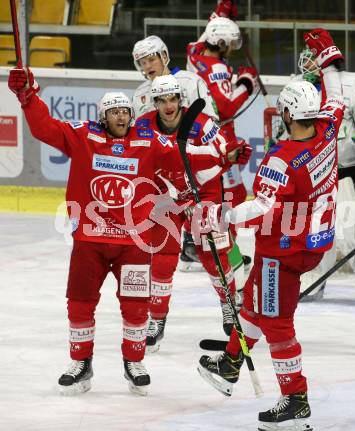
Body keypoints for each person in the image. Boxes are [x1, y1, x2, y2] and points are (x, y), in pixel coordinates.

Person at [7, 66, 242, 395]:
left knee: (135, 306)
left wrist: (217, 165)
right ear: (104, 117)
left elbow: (180, 162)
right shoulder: (84, 136)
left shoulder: (147, 141)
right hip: (90, 240)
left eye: (125, 112)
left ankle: (134, 361)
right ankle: (81, 363)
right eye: (114, 112)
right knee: (79, 302)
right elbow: (45, 128)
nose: (121, 117)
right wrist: (27, 97)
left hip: (133, 242)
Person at [196, 29, 345, 430]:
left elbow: (260, 209)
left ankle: (295, 399)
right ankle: (230, 362)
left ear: (286, 114)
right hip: (313, 240)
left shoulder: (281, 159)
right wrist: (328, 56)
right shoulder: (328, 132)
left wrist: (220, 216)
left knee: (276, 322)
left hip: (284, 248)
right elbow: (338, 98)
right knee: (252, 301)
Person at [136, 74, 252, 350]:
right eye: (162, 100)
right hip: (166, 195)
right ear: (154, 103)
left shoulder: (202, 123)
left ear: (180, 99)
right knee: (162, 257)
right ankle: (157, 318)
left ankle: (229, 304)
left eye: (172, 98)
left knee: (213, 253)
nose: (168, 105)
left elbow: (225, 157)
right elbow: (138, 162)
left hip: (204, 192)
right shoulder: (142, 126)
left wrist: (195, 185)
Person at [132, 34, 249, 280]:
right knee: (166, 240)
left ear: (163, 56)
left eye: (150, 59)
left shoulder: (190, 81)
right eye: (141, 62)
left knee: (215, 235)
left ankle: (236, 278)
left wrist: (199, 156)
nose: (147, 66)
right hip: (165, 176)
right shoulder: (140, 94)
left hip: (196, 169)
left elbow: (209, 124)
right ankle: (190, 250)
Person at [295, 44, 355, 305]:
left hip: (351, 168)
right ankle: (312, 277)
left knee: (354, 226)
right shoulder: (299, 87)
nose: (305, 65)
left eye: (312, 60)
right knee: (314, 225)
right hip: (316, 170)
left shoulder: (353, 84)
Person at [186, 1, 257, 263]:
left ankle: (195, 245)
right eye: (229, 43)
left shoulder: (195, 52)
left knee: (204, 192)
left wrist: (222, 10)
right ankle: (225, 252)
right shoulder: (216, 69)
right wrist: (246, 82)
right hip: (219, 137)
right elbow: (226, 107)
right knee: (232, 196)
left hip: (200, 135)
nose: (231, 49)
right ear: (221, 42)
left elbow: (209, 31)